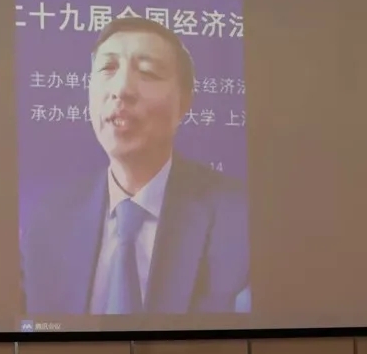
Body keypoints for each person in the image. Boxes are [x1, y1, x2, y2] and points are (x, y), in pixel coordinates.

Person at [21, 17, 249, 316]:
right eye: (107, 68)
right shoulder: (49, 221)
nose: (122, 89)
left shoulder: (240, 218)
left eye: (148, 72)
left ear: (183, 103)